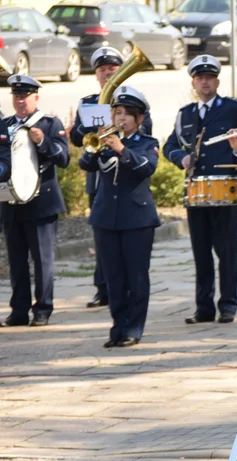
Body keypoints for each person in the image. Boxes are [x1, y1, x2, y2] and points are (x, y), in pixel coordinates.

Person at [163, 54, 237, 325]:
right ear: (193, 83)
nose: (205, 82)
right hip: (196, 192)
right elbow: (169, 145)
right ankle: (203, 307)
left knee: (227, 252)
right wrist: (180, 158)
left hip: (225, 189)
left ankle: (229, 304)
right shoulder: (185, 114)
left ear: (217, 81)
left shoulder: (232, 108)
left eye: (209, 78)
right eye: (200, 78)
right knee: (201, 252)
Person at [70, 46, 154, 310]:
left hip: (127, 178)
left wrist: (119, 124)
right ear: (96, 74)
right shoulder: (89, 101)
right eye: (102, 70)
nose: (107, 73)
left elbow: (146, 131)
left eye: (112, 69)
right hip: (100, 178)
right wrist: (94, 128)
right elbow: (77, 138)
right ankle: (102, 288)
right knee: (103, 233)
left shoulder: (134, 102)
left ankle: (117, 291)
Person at [78, 86, 159, 348]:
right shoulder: (103, 141)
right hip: (105, 218)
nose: (120, 119)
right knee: (113, 277)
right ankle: (118, 327)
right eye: (117, 113)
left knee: (135, 276)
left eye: (126, 114)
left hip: (137, 219)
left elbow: (146, 169)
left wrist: (122, 149)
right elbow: (85, 165)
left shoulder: (147, 143)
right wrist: (97, 147)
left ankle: (134, 328)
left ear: (139, 119)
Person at [1, 75, 69, 328]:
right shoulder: (4, 124)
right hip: (10, 202)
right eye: (16, 96)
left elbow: (63, 158)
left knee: (42, 261)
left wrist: (42, 141)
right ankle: (18, 310)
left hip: (42, 203)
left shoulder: (50, 124)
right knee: (16, 261)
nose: (20, 101)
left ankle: (42, 309)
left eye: (25, 96)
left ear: (35, 98)